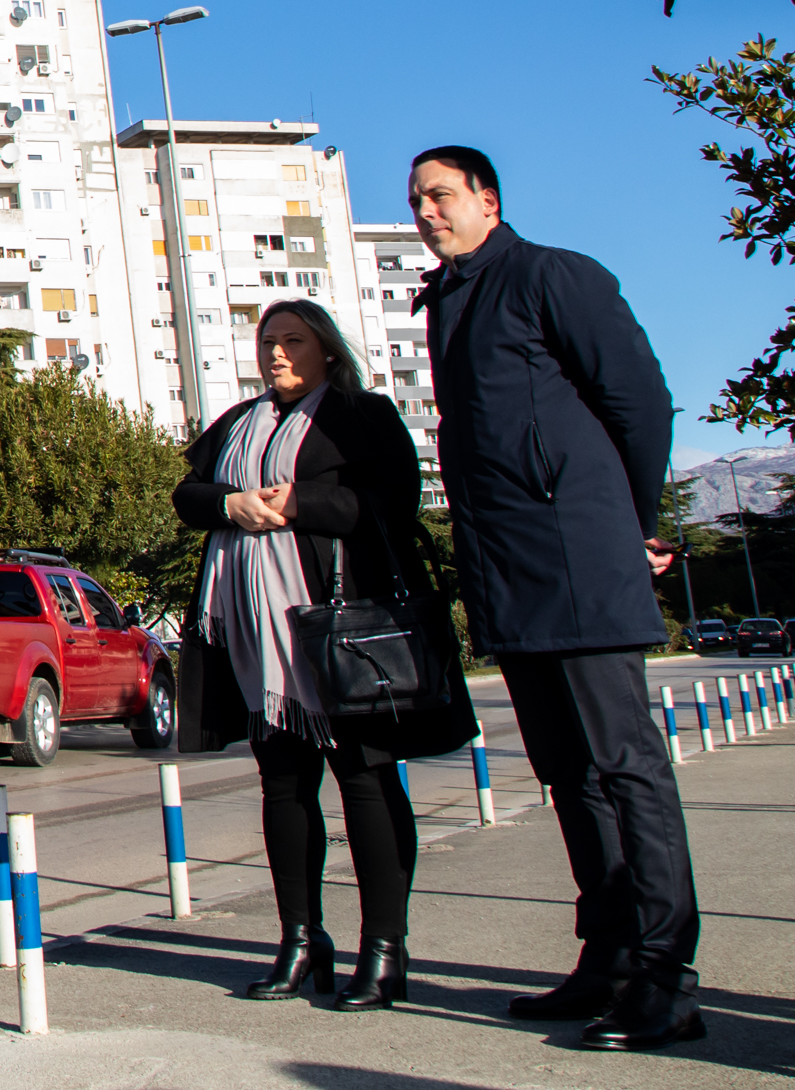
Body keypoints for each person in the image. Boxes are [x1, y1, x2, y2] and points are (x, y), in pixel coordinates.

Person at [410, 145, 699, 1050]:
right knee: (565, 772)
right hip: (508, 568)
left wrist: (628, 519)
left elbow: (640, 400)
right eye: (416, 199)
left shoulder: (551, 276)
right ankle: (607, 957)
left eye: (442, 195)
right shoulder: (446, 300)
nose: (426, 211)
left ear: (487, 202)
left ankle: (666, 976)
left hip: (579, 555)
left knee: (625, 765)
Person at [173, 299, 473, 1011]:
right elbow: (187, 494)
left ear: (326, 351)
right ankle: (301, 940)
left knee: (364, 780)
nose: (275, 353)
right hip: (256, 637)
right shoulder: (240, 423)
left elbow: (392, 502)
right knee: (282, 785)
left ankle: (384, 948)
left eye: (291, 341)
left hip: (339, 632)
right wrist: (232, 506)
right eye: (267, 341)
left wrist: (298, 503)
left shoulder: (358, 414)